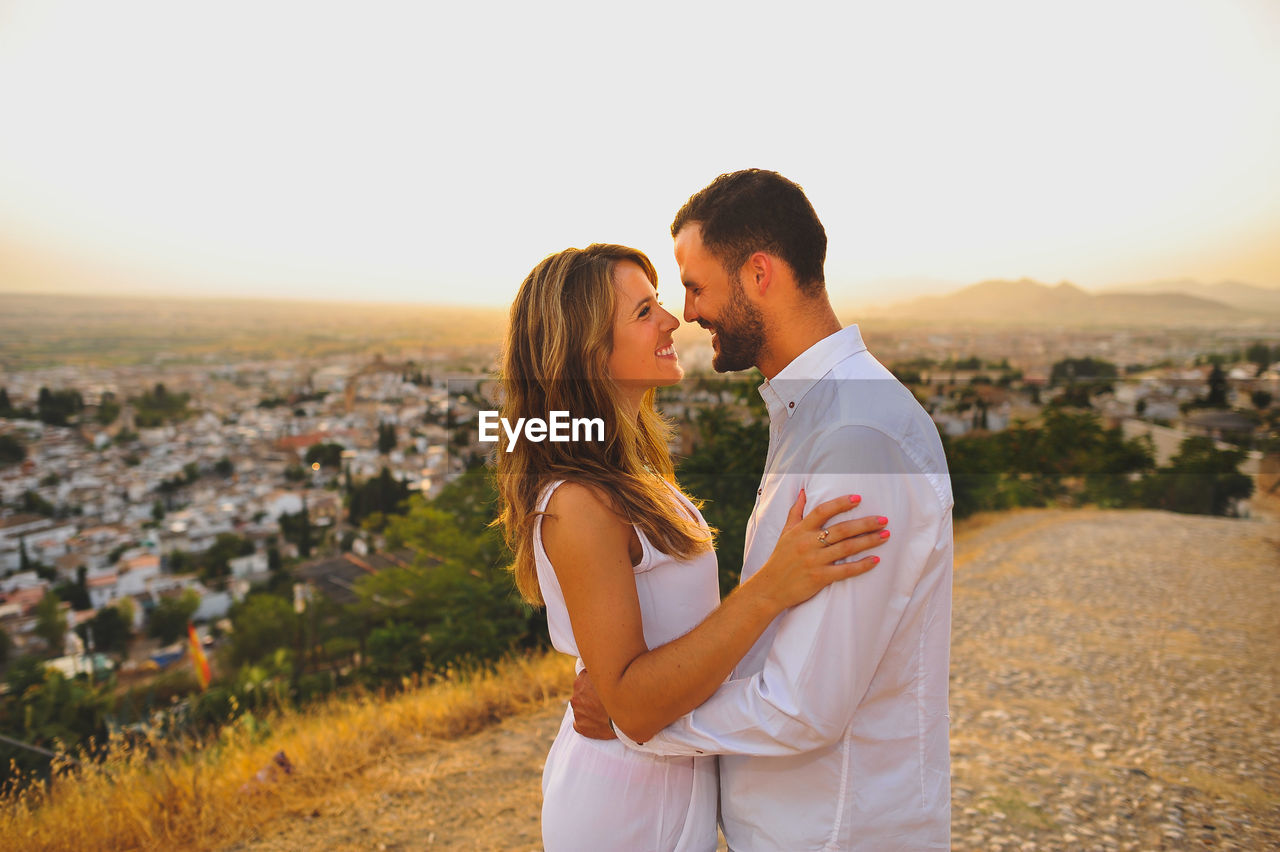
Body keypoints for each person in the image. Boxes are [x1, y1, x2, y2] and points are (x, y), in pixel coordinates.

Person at [572, 170, 954, 851]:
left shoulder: (854, 438)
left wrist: (641, 717)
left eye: (695, 285)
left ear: (757, 274)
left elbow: (802, 706)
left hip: (835, 833)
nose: (686, 312)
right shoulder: (814, 417)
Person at [494, 243, 893, 851]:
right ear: (587, 351)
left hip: (673, 779)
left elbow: (672, 647)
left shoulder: (634, 475)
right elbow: (630, 703)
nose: (672, 321)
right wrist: (770, 589)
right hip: (622, 803)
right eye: (644, 311)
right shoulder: (577, 502)